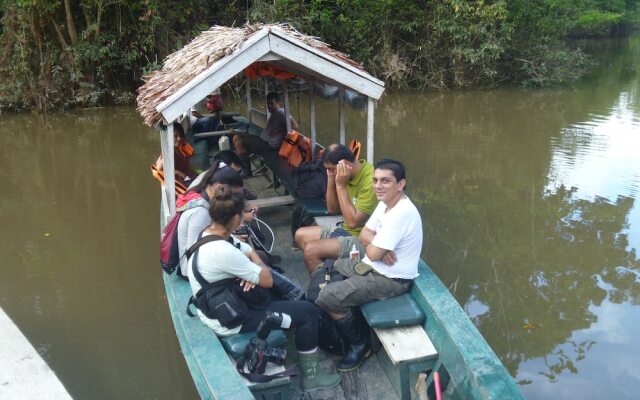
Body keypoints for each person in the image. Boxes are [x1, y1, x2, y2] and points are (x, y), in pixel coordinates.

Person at [187, 185, 340, 390]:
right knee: (309, 312)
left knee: (284, 297)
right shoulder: (222, 250)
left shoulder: (208, 234)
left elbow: (247, 249)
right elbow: (266, 278)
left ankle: (299, 344)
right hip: (231, 320)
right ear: (234, 218)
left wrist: (251, 266)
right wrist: (255, 268)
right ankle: (311, 377)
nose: (242, 219)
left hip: (228, 304)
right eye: (241, 215)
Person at [314, 159, 423, 372]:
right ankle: (349, 320)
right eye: (375, 180)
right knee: (324, 268)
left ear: (400, 184)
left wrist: (376, 247)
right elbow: (364, 235)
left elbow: (372, 252)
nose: (378, 186)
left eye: (385, 181)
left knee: (327, 297)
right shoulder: (385, 204)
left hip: (390, 280)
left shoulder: (401, 213)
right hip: (372, 267)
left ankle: (360, 345)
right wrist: (378, 246)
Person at [294, 144, 377, 273]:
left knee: (311, 250)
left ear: (345, 164)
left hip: (363, 239)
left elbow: (352, 223)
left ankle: (324, 287)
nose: (331, 173)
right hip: (345, 229)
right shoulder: (343, 176)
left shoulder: (370, 181)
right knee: (300, 235)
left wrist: (340, 186)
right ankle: (327, 275)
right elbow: (332, 209)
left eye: (332, 169)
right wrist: (332, 178)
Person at [233, 92, 298, 177]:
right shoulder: (276, 113)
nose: (269, 106)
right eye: (268, 103)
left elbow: (295, 126)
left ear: (279, 103)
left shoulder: (282, 112)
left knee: (239, 142)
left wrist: (285, 131)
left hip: (269, 145)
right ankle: (244, 166)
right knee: (236, 137)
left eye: (272, 103)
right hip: (263, 141)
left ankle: (246, 171)